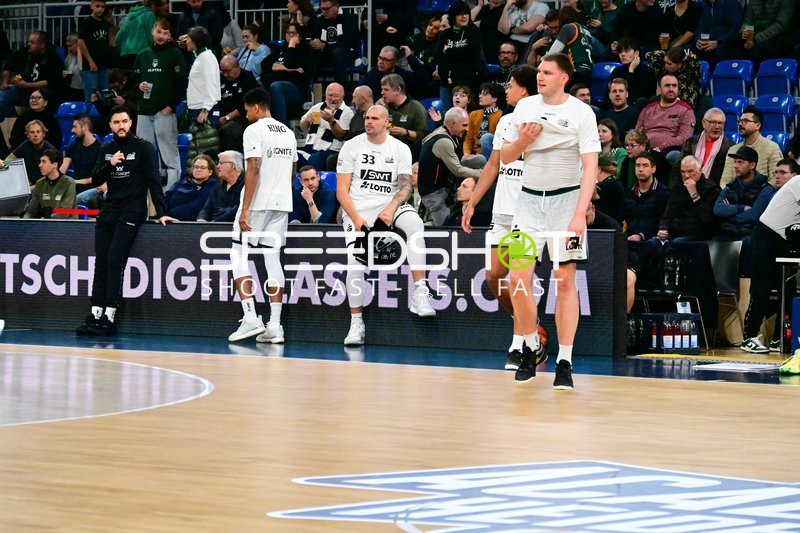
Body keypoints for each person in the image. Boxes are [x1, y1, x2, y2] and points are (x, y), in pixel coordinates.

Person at [499, 52, 600, 388]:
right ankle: (530, 346)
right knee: (516, 278)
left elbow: (590, 169)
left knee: (565, 282)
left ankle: (565, 361)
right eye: (539, 71)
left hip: (565, 202)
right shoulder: (524, 108)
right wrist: (524, 140)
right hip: (528, 203)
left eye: (547, 72)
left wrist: (578, 215)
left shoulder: (581, 112)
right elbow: (505, 157)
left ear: (563, 78)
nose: (540, 76)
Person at [462, 65, 542, 372]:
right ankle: (526, 321)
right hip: (502, 212)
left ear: (524, 90)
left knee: (515, 279)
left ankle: (520, 342)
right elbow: (493, 166)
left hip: (528, 212)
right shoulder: (506, 122)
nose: (505, 91)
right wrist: (472, 203)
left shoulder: (542, 124)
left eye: (509, 86)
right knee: (493, 276)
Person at [336, 105, 436, 346]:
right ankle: (356, 323)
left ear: (387, 123)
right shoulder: (351, 146)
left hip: (390, 203)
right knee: (355, 262)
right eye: (366, 118)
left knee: (414, 223)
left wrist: (390, 209)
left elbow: (405, 187)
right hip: (358, 208)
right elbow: (341, 190)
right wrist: (357, 219)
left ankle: (420, 292)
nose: (368, 122)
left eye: (374, 118)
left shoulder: (400, 148)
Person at [75, 106, 176, 336]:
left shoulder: (143, 148)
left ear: (131, 123)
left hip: (132, 210)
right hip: (109, 209)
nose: (121, 126)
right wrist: (111, 164)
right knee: (100, 262)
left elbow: (153, 181)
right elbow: (97, 178)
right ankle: (95, 314)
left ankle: (110, 317)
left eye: (125, 121)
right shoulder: (107, 148)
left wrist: (161, 212)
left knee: (113, 259)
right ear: (110, 125)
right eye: (116, 122)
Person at [227, 88, 298, 344]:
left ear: (256, 107)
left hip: (258, 202)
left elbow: (253, 167)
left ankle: (250, 317)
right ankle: (275, 326)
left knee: (237, 255)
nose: (246, 115)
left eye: (247, 110)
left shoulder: (254, 130)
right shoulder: (289, 133)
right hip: (282, 203)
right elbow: (293, 171)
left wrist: (246, 208)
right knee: (272, 258)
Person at [740, 171, 800, 356]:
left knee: (788, 290)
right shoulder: (799, 181)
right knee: (761, 289)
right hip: (766, 235)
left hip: (783, 240)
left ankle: (779, 338)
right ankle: (749, 337)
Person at [134, 18, 187, 190]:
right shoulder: (142, 55)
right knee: (145, 155)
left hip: (164, 112)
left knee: (170, 155)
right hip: (144, 112)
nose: (161, 36)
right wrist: (138, 85)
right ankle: (148, 193)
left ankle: (171, 192)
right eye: (159, 32)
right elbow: (134, 80)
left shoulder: (175, 54)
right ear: (152, 31)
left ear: (170, 36)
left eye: (165, 33)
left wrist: (171, 106)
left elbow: (182, 84)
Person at [418, 107, 483, 226]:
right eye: (464, 125)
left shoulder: (449, 133)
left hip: (446, 182)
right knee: (446, 227)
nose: (467, 129)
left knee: (479, 160)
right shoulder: (443, 141)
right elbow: (457, 170)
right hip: (434, 192)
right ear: (453, 123)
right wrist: (482, 174)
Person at [714, 145, 775, 242]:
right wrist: (741, 208)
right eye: (735, 162)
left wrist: (728, 214)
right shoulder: (731, 186)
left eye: (740, 162)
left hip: (750, 234)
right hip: (727, 233)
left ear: (752, 165)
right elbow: (717, 209)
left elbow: (753, 215)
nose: (736, 166)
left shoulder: (765, 189)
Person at [0, 31, 65, 121]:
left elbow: (50, 82)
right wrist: (5, 83)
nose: (29, 44)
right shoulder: (25, 52)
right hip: (22, 91)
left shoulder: (52, 58)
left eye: (32, 42)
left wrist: (26, 85)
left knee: (39, 95)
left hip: (44, 92)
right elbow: (8, 67)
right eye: (29, 41)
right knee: (2, 96)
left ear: (42, 45)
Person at [655, 155, 721, 243]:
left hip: (699, 235)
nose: (686, 175)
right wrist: (663, 228)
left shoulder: (712, 189)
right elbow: (667, 214)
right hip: (675, 233)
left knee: (677, 243)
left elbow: (708, 219)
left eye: (690, 171)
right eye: (683, 172)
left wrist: (694, 194)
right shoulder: (678, 188)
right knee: (653, 243)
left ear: (700, 170)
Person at [434, 2, 488, 109]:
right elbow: (438, 56)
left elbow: (472, 52)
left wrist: (450, 51)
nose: (464, 16)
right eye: (460, 14)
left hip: (470, 80)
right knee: (449, 114)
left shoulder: (474, 32)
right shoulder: (446, 34)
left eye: (466, 13)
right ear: (454, 16)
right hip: (448, 80)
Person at [634, 74, 695, 167]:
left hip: (669, 151)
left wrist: (661, 147)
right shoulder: (647, 109)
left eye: (674, 86)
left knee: (674, 155)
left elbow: (684, 138)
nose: (671, 89)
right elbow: (637, 134)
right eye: (667, 85)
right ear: (659, 89)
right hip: (645, 150)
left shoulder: (686, 110)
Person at [260, 23, 313, 124]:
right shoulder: (280, 49)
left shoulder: (305, 51)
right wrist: (285, 69)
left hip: (296, 90)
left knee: (276, 86)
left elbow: (289, 63)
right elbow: (264, 64)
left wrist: (291, 46)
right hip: (275, 84)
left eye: (294, 33)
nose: (291, 35)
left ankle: (281, 126)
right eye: (289, 33)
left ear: (300, 36)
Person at [719, 106, 784, 188]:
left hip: (761, 195)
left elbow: (775, 180)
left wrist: (761, 195)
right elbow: (725, 180)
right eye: (739, 121)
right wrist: (726, 194)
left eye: (745, 121)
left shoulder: (772, 148)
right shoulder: (733, 150)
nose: (740, 124)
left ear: (757, 125)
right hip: (736, 196)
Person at [298, 82, 353, 170]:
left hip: (331, 151)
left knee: (314, 159)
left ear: (343, 97)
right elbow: (302, 127)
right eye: (330, 95)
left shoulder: (347, 112)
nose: (333, 99)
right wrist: (307, 120)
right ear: (325, 95)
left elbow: (341, 135)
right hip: (311, 147)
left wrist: (331, 121)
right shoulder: (317, 107)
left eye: (336, 96)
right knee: (294, 157)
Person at [309, 0, 359, 87]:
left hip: (346, 55)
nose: (324, 12)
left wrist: (324, 46)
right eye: (322, 9)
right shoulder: (320, 20)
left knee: (338, 53)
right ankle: (309, 89)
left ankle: (339, 89)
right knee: (309, 54)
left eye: (327, 9)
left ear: (336, 6)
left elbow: (347, 44)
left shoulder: (348, 18)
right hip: (326, 55)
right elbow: (316, 39)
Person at [678, 107, 732, 185]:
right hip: (686, 186)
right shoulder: (690, 143)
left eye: (720, 123)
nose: (717, 126)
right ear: (703, 123)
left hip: (713, 190)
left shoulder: (729, 148)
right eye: (713, 122)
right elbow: (677, 169)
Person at [624, 151, 670, 242]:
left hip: (652, 238)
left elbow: (659, 220)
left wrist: (641, 235)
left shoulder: (663, 192)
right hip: (628, 237)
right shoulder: (629, 192)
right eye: (637, 165)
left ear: (653, 169)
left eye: (645, 166)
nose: (640, 169)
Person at [218, 54, 260, 153]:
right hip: (221, 117)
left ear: (237, 67)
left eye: (227, 71)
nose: (225, 74)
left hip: (242, 120)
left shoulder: (247, 78)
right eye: (222, 71)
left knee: (227, 130)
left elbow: (250, 104)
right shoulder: (221, 79)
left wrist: (227, 117)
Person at [379, 74, 428, 151]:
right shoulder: (384, 107)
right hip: (387, 148)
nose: (382, 92)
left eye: (386, 89)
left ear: (398, 90)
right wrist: (376, 109)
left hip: (410, 148)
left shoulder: (416, 107)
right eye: (382, 89)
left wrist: (406, 132)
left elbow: (424, 135)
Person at [548, 6, 594, 88]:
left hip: (576, 72)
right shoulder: (586, 31)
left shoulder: (568, 28)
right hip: (589, 72)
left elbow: (552, 54)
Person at [77, 0, 114, 103]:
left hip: (103, 65)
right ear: (91, 6)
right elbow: (80, 42)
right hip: (90, 67)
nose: (100, 9)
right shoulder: (87, 22)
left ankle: (105, 117)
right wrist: (90, 61)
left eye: (103, 7)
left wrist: (112, 24)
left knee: (106, 97)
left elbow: (110, 42)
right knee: (91, 97)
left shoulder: (105, 23)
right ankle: (90, 118)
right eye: (97, 6)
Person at [23, 149, 77, 219]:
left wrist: (45, 219)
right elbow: (31, 211)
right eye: (40, 162)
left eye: (44, 162)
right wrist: (24, 222)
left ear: (55, 165)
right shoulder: (40, 183)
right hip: (45, 225)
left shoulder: (69, 183)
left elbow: (64, 213)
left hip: (66, 226)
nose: (40, 165)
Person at [0, 120, 56, 187]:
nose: (35, 135)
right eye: (32, 132)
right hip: (30, 186)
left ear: (43, 134)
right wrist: (2, 165)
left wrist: (33, 187)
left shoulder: (50, 150)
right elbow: (8, 161)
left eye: (38, 132)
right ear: (27, 135)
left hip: (46, 186)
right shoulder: (25, 145)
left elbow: (54, 176)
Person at [185, 26, 221, 127]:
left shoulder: (206, 57)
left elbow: (212, 85)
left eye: (188, 38)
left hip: (203, 111)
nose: (186, 41)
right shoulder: (200, 57)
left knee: (208, 143)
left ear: (194, 41)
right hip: (196, 110)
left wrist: (205, 109)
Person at [115, 0, 168, 70]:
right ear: (154, 6)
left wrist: (124, 49)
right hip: (141, 54)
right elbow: (152, 38)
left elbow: (117, 38)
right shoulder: (150, 14)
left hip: (125, 55)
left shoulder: (129, 16)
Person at [165, 154, 218, 221]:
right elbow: (166, 200)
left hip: (199, 225)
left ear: (210, 172)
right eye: (196, 167)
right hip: (173, 223)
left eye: (203, 168)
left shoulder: (215, 187)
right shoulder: (181, 183)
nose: (198, 170)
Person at [197, 150, 245, 222]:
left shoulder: (246, 184)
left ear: (232, 166)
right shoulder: (218, 185)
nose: (217, 166)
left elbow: (236, 211)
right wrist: (202, 219)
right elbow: (206, 209)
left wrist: (216, 221)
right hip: (215, 226)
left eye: (221, 163)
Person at [608, 38, 656, 109]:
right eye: (621, 52)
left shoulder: (647, 71)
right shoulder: (617, 71)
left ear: (636, 53)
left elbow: (634, 97)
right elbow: (608, 96)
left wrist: (631, 71)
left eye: (627, 51)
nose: (623, 54)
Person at [62, 114, 102, 194]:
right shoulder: (73, 145)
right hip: (75, 187)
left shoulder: (100, 149)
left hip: (92, 189)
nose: (72, 130)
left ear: (85, 127)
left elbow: (97, 178)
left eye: (75, 127)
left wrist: (75, 182)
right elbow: (63, 168)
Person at [694, 0, 742, 66]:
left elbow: (735, 29)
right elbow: (700, 28)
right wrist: (698, 40)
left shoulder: (732, 3)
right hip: (708, 40)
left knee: (720, 50)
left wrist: (718, 42)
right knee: (692, 50)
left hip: (726, 40)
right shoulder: (702, 4)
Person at [464, 82, 505, 160]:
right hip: (475, 155)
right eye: (480, 93)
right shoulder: (474, 114)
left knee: (486, 138)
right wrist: (466, 153)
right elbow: (468, 139)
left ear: (494, 99)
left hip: (493, 155)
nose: (480, 96)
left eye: (484, 94)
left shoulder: (502, 116)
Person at [594, 151, 626, 223]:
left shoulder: (610, 184)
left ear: (599, 169)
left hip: (609, 229)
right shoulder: (614, 182)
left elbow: (592, 196)